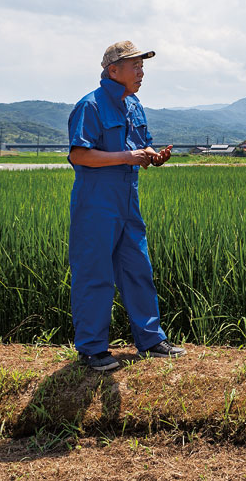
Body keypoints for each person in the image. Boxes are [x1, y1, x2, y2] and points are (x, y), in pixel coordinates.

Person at [67, 40, 184, 372]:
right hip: (96, 201)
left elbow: (141, 147)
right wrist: (128, 156)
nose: (141, 72)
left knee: (138, 269)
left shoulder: (133, 105)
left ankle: (151, 340)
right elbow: (79, 155)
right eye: (135, 66)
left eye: (142, 66)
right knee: (94, 274)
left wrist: (153, 157)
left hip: (128, 199)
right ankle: (92, 349)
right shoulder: (90, 106)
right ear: (113, 70)